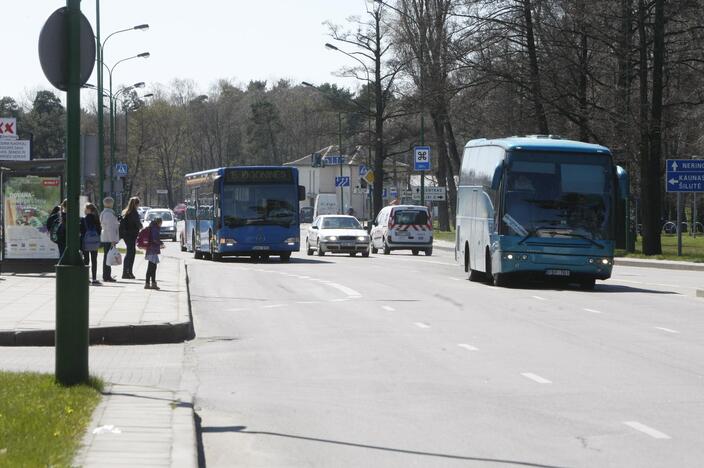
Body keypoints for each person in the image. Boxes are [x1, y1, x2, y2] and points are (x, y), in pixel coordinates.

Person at [80, 203, 102, 285]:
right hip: (94, 242)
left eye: (85, 209)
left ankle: (86, 278)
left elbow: (81, 231)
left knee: (86, 260)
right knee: (94, 260)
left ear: (88, 209)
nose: (84, 210)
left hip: (85, 242)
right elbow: (99, 231)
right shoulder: (96, 218)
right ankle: (94, 278)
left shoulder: (84, 219)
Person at [121, 197, 142, 279]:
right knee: (131, 253)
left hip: (126, 235)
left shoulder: (125, 211)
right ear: (136, 204)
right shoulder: (134, 213)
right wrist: (142, 227)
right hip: (132, 235)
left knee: (130, 252)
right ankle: (127, 272)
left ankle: (128, 272)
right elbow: (138, 224)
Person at [100, 197, 120, 282]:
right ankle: (107, 276)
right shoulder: (109, 214)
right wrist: (112, 240)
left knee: (107, 256)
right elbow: (110, 228)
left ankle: (107, 275)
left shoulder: (105, 213)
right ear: (110, 204)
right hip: (109, 239)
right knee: (108, 257)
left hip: (106, 237)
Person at [144, 217, 164, 290]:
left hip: (151, 250)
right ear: (159, 222)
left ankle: (152, 283)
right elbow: (155, 239)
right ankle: (148, 283)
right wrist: (160, 243)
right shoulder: (155, 228)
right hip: (152, 250)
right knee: (151, 268)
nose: (161, 224)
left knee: (152, 267)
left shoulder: (153, 227)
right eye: (161, 223)